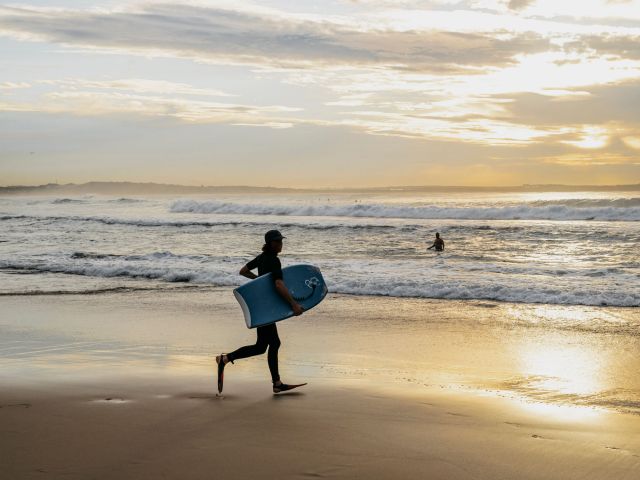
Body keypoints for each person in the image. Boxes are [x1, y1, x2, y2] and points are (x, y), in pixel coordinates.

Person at [216, 230, 304, 393]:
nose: (281, 244)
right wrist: (294, 304)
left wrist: (258, 281)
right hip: (267, 309)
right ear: (271, 243)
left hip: (263, 306)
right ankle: (275, 383)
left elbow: (243, 271)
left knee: (262, 346)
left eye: (281, 241)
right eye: (277, 241)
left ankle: (226, 359)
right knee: (271, 344)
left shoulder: (261, 258)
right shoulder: (274, 261)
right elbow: (279, 284)